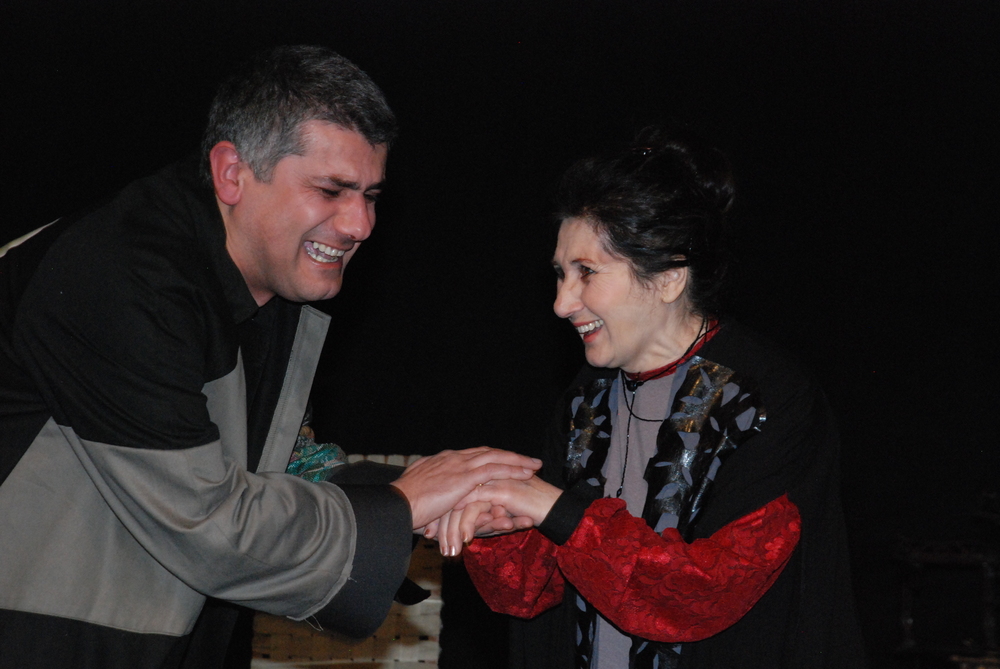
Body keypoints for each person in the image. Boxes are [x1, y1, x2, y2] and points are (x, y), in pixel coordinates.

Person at [0, 45, 540, 669]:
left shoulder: (267, 282)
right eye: (331, 190)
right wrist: (403, 505)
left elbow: (273, 471)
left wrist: (429, 494)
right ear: (232, 172)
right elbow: (207, 524)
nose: (361, 225)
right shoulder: (120, 277)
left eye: (371, 195)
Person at [449, 127, 867, 668]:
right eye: (559, 274)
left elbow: (702, 594)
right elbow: (532, 593)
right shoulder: (585, 401)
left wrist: (554, 509)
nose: (561, 302)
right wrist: (495, 525)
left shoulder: (768, 400)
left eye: (586, 273)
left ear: (669, 277)